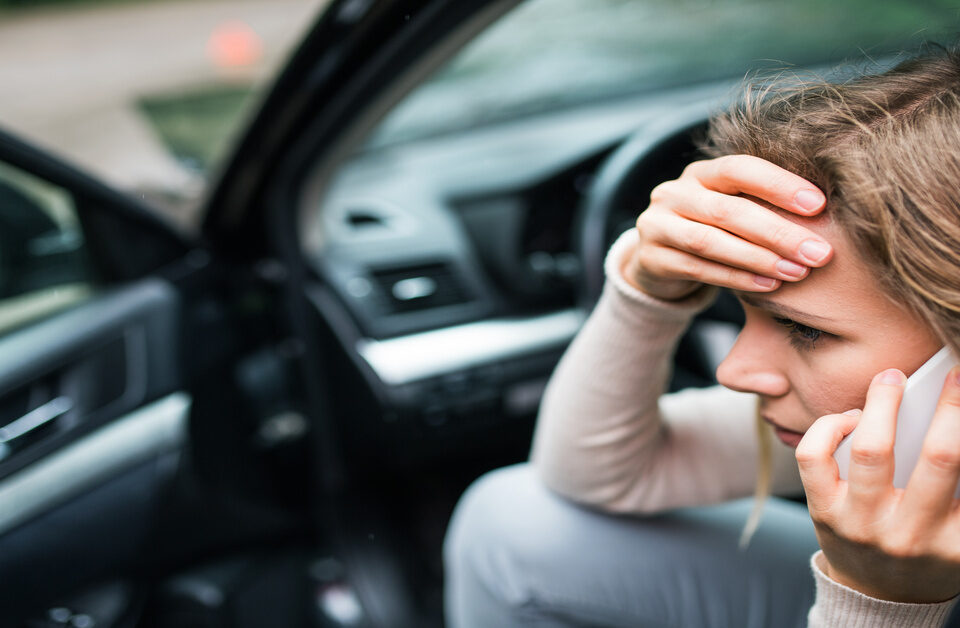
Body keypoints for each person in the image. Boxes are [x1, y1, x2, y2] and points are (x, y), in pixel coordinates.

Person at [444, 45, 960, 627]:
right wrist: (644, 287)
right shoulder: (874, 431)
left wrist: (876, 605)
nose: (733, 372)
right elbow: (601, 475)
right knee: (515, 521)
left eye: (804, 330)